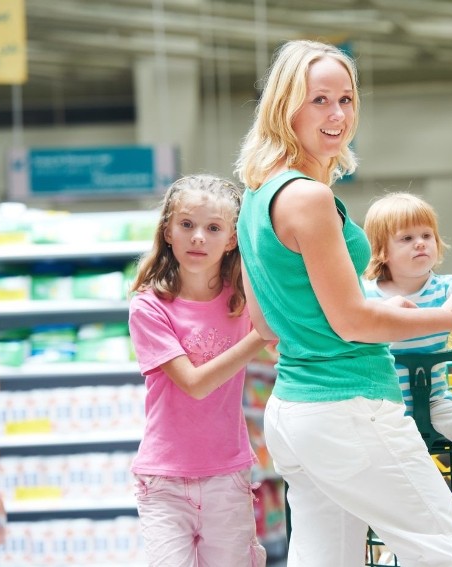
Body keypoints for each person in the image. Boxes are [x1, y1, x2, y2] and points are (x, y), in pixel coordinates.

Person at [233, 39, 452, 567]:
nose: (337, 114)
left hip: (295, 411)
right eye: (319, 100)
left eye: (347, 99)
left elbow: (266, 319)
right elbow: (352, 321)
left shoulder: (255, 196)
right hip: (348, 407)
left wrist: (386, 312)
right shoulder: (308, 198)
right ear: (284, 105)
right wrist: (450, 315)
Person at [127, 174, 269, 567]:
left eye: (213, 228)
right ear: (168, 231)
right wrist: (259, 337)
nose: (198, 238)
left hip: (228, 473)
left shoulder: (243, 298)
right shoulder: (149, 306)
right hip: (164, 480)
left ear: (232, 239)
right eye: (187, 225)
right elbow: (193, 383)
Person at [361, 192, 452, 547]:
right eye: (406, 238)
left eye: (427, 236)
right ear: (381, 252)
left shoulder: (449, 290)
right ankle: (374, 519)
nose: (420, 244)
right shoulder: (365, 297)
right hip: (382, 406)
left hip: (437, 398)